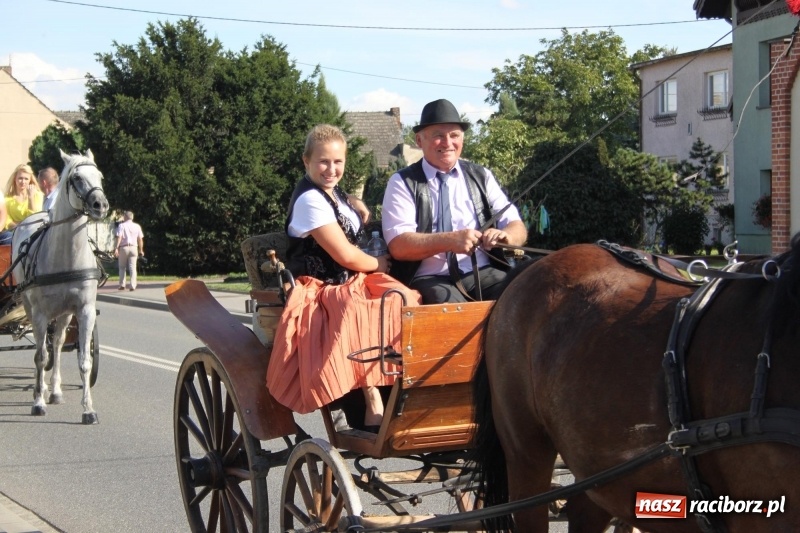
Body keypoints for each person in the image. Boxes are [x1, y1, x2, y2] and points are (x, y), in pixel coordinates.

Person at [266, 124, 421, 432]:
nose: (331, 169)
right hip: (320, 285)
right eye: (323, 162)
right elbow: (346, 256)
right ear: (306, 161)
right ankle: (369, 396)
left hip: (350, 279)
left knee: (405, 298)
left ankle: (403, 385)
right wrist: (378, 262)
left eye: (338, 162)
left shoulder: (331, 192)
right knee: (355, 307)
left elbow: (337, 202)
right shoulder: (309, 201)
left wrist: (352, 199)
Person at [382, 98, 528, 304]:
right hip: (429, 278)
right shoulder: (402, 182)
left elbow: (516, 225)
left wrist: (506, 237)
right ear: (419, 140)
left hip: (482, 271)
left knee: (520, 299)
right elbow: (399, 246)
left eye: (454, 135)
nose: (448, 143)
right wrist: (451, 240)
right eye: (438, 136)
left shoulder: (481, 176)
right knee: (453, 312)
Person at [3, 164, 43, 231]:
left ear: (30, 180)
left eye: (26, 179)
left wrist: (31, 198)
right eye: (20, 178)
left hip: (33, 232)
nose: (23, 182)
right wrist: (19, 227)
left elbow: (34, 218)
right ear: (15, 179)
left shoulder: (37, 195)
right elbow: (6, 220)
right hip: (13, 233)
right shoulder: (7, 198)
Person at [113, 211, 144, 291]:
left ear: (125, 217)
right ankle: (132, 285)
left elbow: (119, 237)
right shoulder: (137, 226)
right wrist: (141, 250)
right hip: (134, 247)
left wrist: (116, 248)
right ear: (132, 217)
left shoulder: (121, 225)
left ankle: (122, 285)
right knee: (133, 268)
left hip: (124, 247)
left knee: (122, 267)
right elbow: (140, 239)